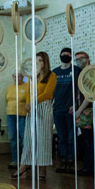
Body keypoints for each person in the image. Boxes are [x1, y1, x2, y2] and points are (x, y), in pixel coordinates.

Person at [17, 52, 56, 180]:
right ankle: (23, 167)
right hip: (32, 107)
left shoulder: (52, 75)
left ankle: (42, 169)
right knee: (29, 138)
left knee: (43, 139)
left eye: (40, 60)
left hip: (44, 107)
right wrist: (28, 103)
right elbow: (28, 91)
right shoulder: (32, 76)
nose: (38, 63)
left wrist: (32, 101)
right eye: (36, 60)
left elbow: (47, 93)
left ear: (45, 62)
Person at [52, 47, 75, 173]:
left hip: (71, 109)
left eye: (67, 54)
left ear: (71, 56)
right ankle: (63, 159)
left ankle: (71, 160)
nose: (65, 55)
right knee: (62, 136)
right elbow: (52, 91)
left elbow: (79, 90)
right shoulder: (54, 72)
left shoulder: (76, 70)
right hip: (58, 109)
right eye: (63, 54)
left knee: (71, 136)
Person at [4, 71, 28, 169]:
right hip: (10, 115)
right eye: (14, 77)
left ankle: (25, 160)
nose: (16, 78)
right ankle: (15, 160)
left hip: (22, 115)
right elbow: (7, 100)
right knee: (13, 138)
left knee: (24, 138)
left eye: (19, 77)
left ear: (22, 77)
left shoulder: (27, 87)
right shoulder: (10, 88)